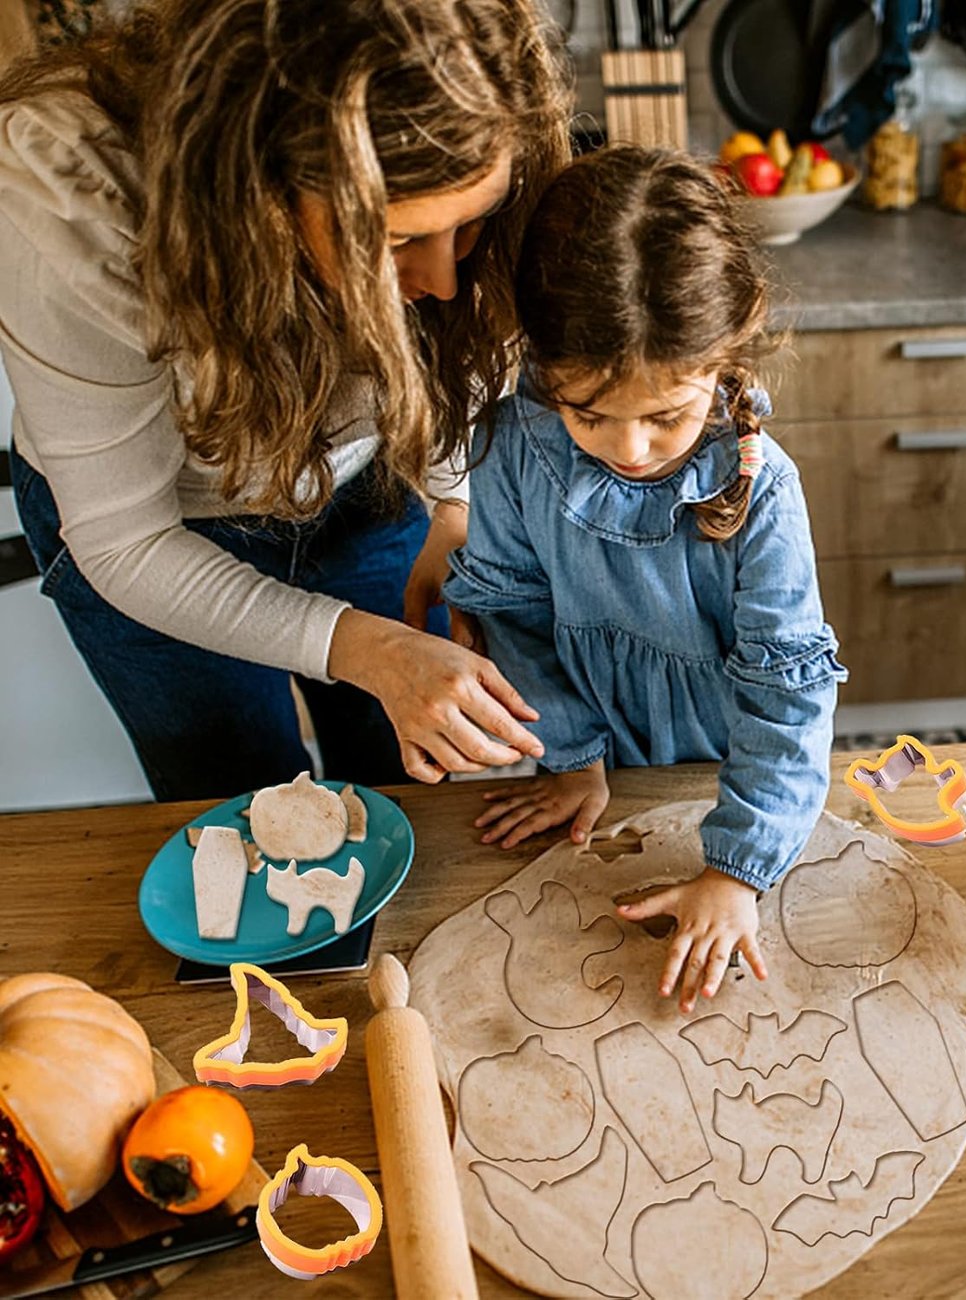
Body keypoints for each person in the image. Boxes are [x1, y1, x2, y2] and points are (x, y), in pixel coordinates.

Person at [0, 0, 571, 800]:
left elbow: (464, 330)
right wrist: (368, 649)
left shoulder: (465, 220)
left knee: (408, 783)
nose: (442, 280)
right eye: (398, 242)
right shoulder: (72, 189)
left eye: (471, 225)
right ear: (258, 202)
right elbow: (129, 543)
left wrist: (454, 505)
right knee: (242, 806)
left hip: (365, 489)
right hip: (162, 533)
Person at [443, 146, 847, 1014]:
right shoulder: (511, 448)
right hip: (585, 761)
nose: (627, 449)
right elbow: (515, 617)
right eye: (587, 413)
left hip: (726, 773)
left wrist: (737, 868)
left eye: (666, 415)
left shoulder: (764, 489)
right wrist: (573, 758)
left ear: (725, 358)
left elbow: (787, 698)